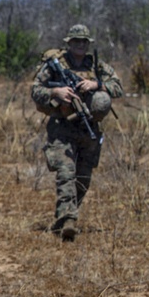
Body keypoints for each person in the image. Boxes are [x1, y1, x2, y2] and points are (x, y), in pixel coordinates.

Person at [31, 24, 123, 241]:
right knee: (65, 173)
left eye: (84, 42)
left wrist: (96, 85)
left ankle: (63, 218)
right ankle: (68, 220)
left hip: (88, 126)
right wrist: (56, 91)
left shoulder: (97, 66)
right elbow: (35, 90)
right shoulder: (53, 66)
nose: (80, 45)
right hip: (61, 127)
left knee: (83, 177)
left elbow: (118, 87)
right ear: (68, 43)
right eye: (75, 41)